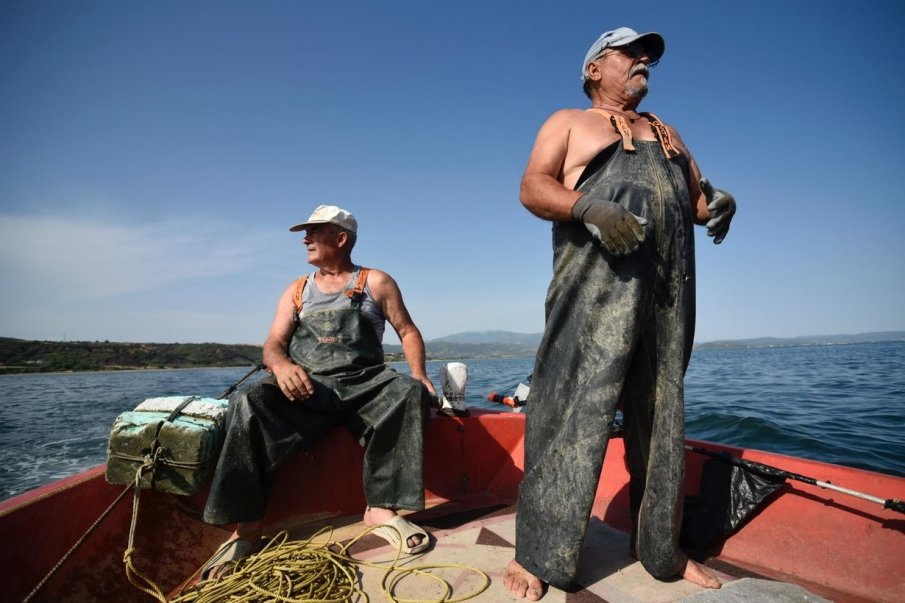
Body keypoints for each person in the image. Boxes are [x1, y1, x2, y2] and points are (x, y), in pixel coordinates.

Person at [503, 27, 736, 599]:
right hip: (591, 292)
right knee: (567, 412)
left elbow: (697, 199)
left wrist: (718, 204)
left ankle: (661, 551)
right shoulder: (566, 122)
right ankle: (538, 555)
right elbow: (532, 187)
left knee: (661, 418)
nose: (642, 63)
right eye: (629, 54)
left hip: (666, 298)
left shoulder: (667, 132)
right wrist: (588, 206)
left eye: (647, 56)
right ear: (593, 70)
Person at [200, 204, 437, 578]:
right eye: (305, 234)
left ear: (341, 239)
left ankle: (381, 509)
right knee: (249, 399)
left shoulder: (376, 282)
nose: (305, 239)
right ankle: (245, 526)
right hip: (308, 389)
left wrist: (420, 375)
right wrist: (281, 366)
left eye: (314, 232)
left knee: (408, 392)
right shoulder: (296, 291)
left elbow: (407, 330)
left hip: (365, 385)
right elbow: (274, 343)